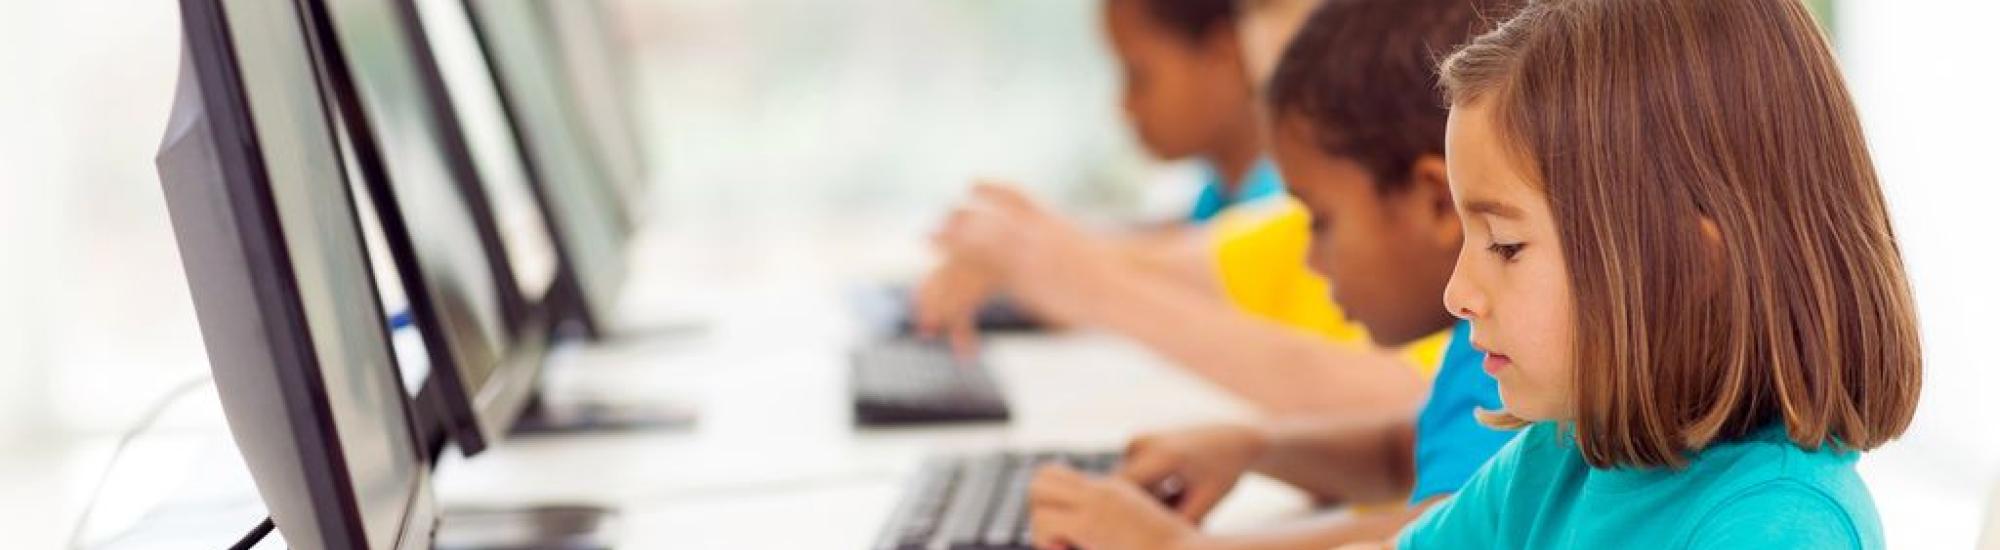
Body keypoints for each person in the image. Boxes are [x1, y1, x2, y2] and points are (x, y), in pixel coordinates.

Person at [1370, 0, 1923, 548]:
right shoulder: (1557, 458)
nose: (1457, 294)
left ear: (1693, 263)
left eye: (1507, 247)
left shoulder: (1780, 527)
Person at [1017, 1, 1519, 548]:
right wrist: (1255, 447)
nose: (1308, 258)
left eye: (1320, 221)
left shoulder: (1508, 347)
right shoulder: (1475, 345)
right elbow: (1406, 450)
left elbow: (1443, 528)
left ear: (1436, 205)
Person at [922, 0, 1435, 416]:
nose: (1257, 45)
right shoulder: (1291, 224)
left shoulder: (1456, 263)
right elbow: (1182, 261)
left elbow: (1409, 405)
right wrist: (1030, 248)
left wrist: (1081, 280)